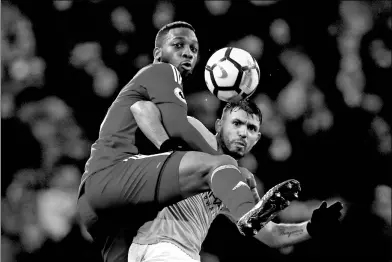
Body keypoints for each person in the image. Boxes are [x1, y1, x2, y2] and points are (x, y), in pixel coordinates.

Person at [76, 21, 297, 261]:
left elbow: (142, 109)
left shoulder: (150, 94)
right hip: (111, 173)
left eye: (194, 48)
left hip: (103, 208)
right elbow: (168, 120)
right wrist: (226, 165)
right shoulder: (163, 71)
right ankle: (247, 213)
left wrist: (307, 228)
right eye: (178, 45)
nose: (187, 52)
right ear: (158, 53)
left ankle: (246, 212)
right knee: (218, 165)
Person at [127, 99, 343, 261]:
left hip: (170, 252)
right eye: (237, 123)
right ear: (219, 124)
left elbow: (270, 234)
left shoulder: (234, 180)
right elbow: (141, 108)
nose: (243, 133)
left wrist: (310, 228)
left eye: (251, 129)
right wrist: (169, 149)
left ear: (257, 139)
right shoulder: (193, 134)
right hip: (160, 247)